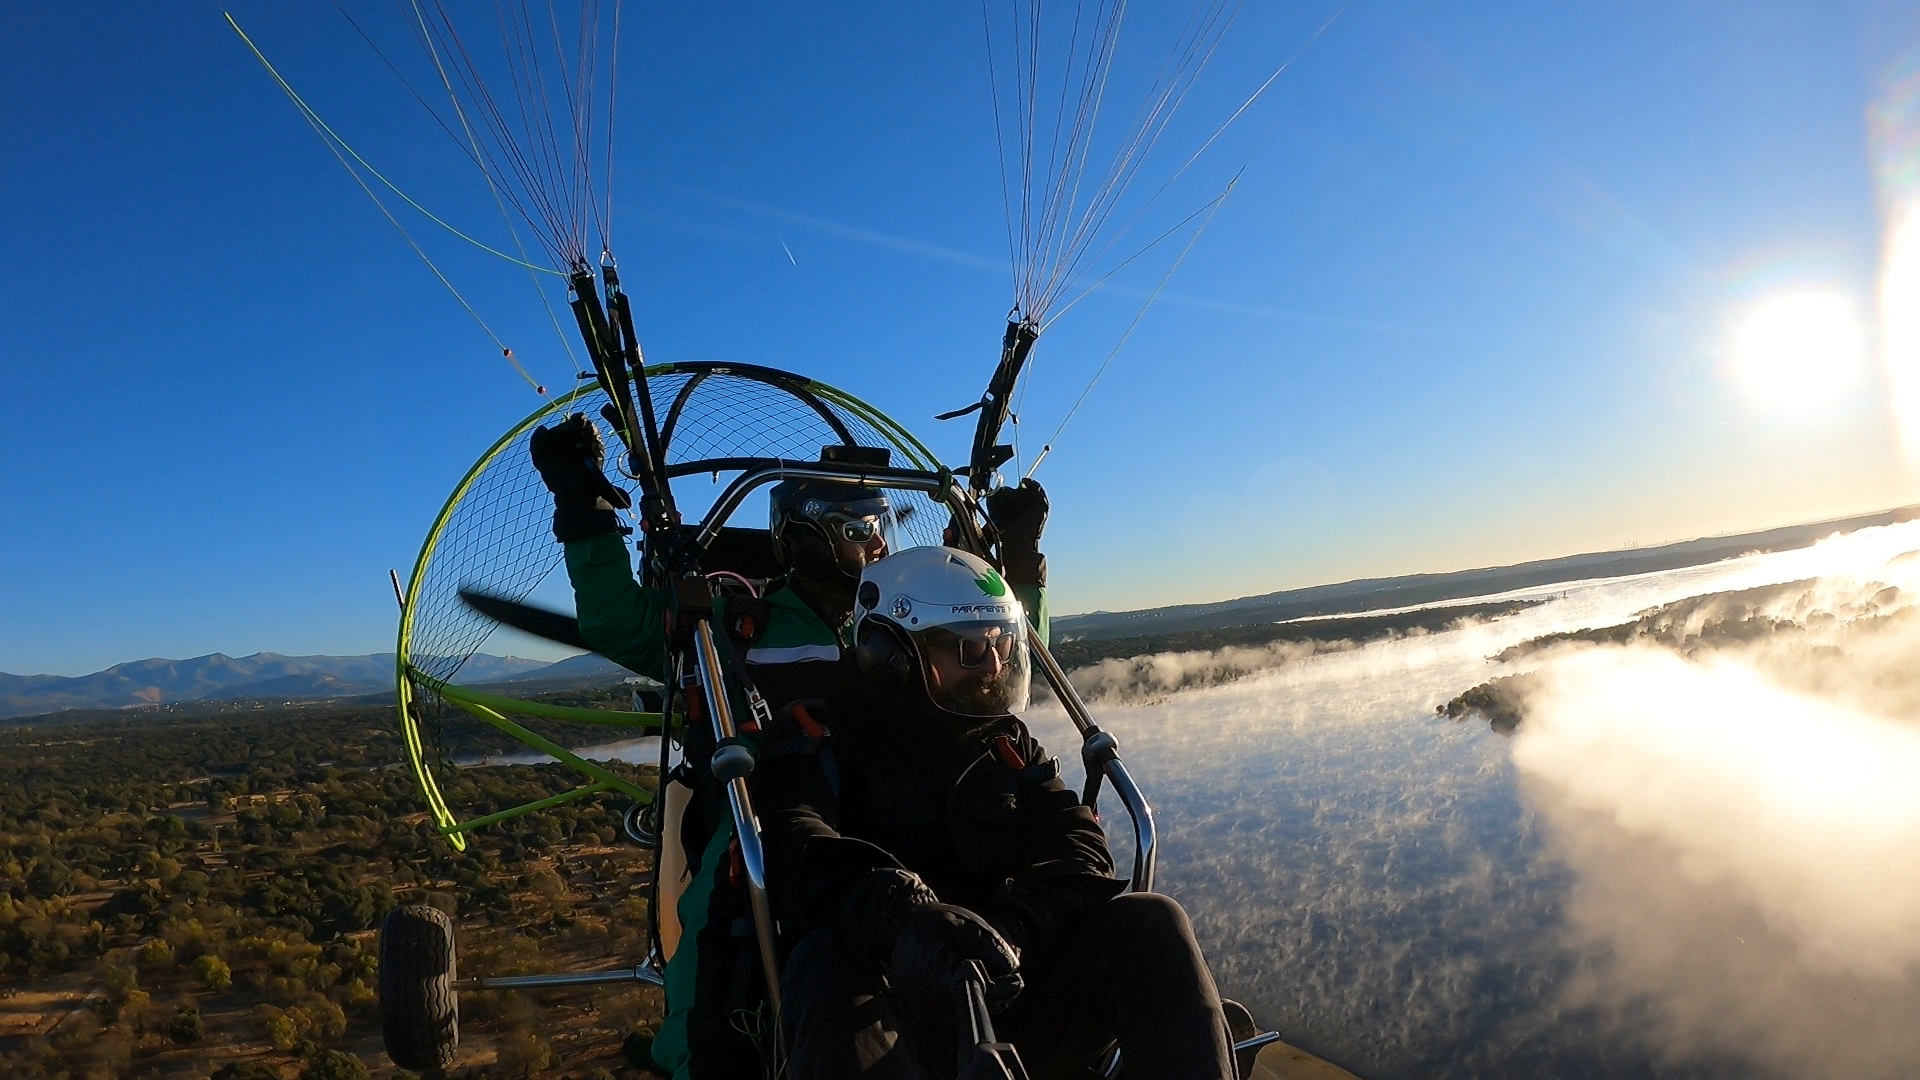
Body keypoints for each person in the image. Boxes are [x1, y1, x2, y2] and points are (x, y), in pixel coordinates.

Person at [527, 416, 1054, 1077]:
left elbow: (997, 666)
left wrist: (1021, 559)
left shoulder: (907, 614)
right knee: (732, 889)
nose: (875, 545)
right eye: (857, 529)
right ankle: (699, 1055)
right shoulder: (739, 623)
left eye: (879, 528)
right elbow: (617, 622)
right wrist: (585, 503)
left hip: (902, 794)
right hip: (773, 810)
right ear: (805, 530)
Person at [757, 545, 1241, 1080]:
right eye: (969, 648)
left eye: (1000, 643)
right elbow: (796, 843)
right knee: (826, 965)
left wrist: (1012, 928)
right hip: (890, 1006)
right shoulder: (814, 738)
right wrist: (904, 921)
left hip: (1011, 988)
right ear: (890, 654)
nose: (992, 664)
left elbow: (1079, 842)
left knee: (1153, 922)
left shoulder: (1004, 743)